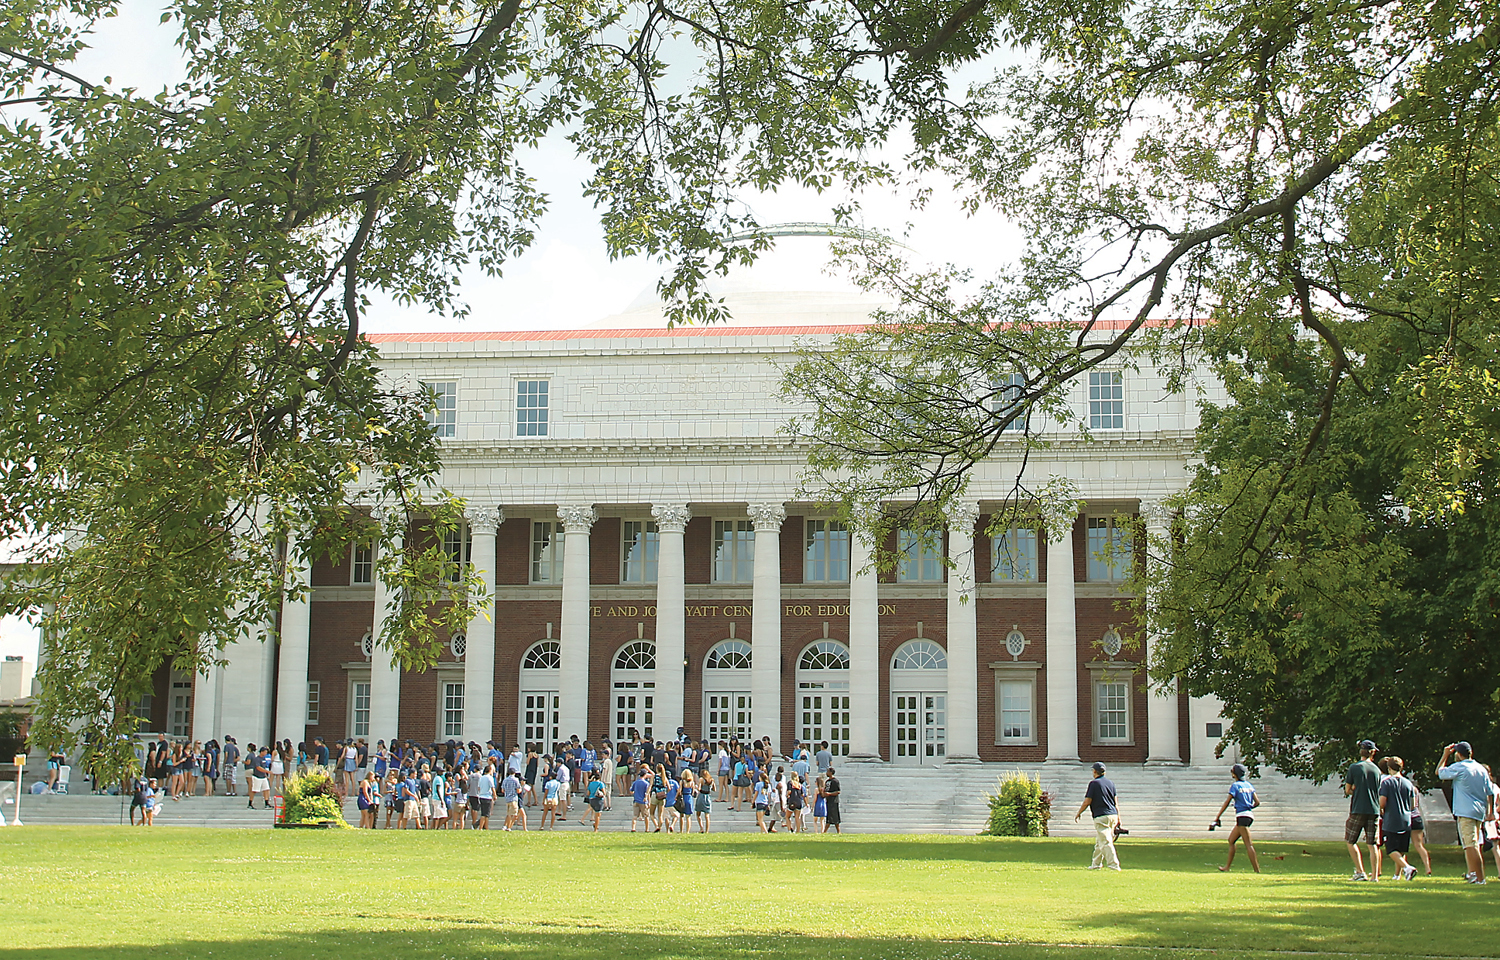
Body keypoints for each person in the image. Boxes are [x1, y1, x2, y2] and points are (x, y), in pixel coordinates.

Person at [1436, 741, 1494, 885]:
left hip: (1465, 811)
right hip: (1479, 811)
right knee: (1472, 844)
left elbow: (1439, 772)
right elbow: (1490, 792)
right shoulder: (1481, 769)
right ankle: (1473, 874)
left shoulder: (1460, 767)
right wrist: (1490, 811)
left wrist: (1444, 755)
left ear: (1459, 754)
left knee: (1471, 844)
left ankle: (1480, 878)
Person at [1342, 739, 1382, 881]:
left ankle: (1360, 872)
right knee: (1372, 844)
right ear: (1372, 753)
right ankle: (1375, 876)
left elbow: (1347, 790)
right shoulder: (1377, 770)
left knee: (1350, 840)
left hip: (1358, 808)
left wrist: (1355, 790)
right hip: (1374, 809)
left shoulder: (1354, 767)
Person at [1376, 755, 1419, 881]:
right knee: (1401, 850)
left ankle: (1407, 868)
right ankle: (1397, 875)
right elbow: (1413, 805)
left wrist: (1381, 809)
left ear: (1389, 768)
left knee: (1391, 849)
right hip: (1406, 819)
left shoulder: (1387, 783)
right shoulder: (1408, 783)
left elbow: (1382, 802)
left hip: (1391, 819)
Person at [1074, 761, 1121, 870]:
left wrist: (1079, 812)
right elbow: (1115, 803)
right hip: (1113, 815)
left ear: (1095, 771)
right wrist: (1119, 818)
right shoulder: (1111, 783)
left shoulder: (1094, 784)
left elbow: (1087, 801)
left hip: (1101, 816)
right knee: (1100, 841)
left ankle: (1114, 865)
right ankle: (1096, 864)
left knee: (1105, 841)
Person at [1213, 764, 1260, 873]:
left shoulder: (1235, 786)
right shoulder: (1249, 785)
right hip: (1248, 815)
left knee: (1248, 844)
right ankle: (1227, 867)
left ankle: (1257, 870)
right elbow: (1257, 802)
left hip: (1242, 816)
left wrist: (1218, 816)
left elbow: (1227, 802)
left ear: (1235, 774)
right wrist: (1249, 806)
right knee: (1231, 840)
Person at [631, 766, 652, 832]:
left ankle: (633, 828)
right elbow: (647, 793)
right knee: (646, 816)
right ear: (645, 775)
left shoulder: (635, 782)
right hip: (643, 801)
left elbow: (631, 791)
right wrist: (649, 802)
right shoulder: (646, 783)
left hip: (636, 800)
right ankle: (647, 829)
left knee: (635, 816)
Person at [823, 768, 842, 834]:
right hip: (828, 801)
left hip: (834, 801)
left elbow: (838, 791)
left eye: (828, 771)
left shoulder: (835, 781)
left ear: (831, 772)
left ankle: (838, 831)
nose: (826, 773)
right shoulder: (827, 781)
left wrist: (830, 794)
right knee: (829, 815)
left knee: (835, 815)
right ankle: (825, 831)